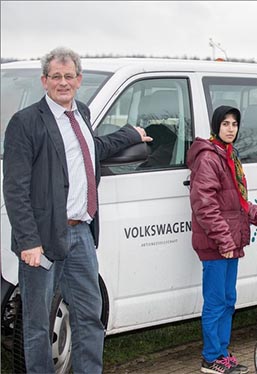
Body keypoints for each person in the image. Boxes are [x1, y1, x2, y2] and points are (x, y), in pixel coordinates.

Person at [2, 47, 152, 374]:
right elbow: (14, 188)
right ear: (44, 81)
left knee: (89, 316)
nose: (63, 82)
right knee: (39, 324)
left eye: (69, 76)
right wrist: (28, 240)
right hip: (42, 238)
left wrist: (129, 134)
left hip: (81, 234)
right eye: (56, 76)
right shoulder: (25, 123)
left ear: (78, 80)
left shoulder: (81, 113)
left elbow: (92, 149)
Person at [186, 105, 257, 374]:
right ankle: (211, 357)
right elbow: (205, 206)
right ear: (216, 126)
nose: (230, 128)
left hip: (230, 242)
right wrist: (224, 241)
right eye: (225, 123)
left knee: (228, 300)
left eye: (234, 124)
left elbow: (237, 204)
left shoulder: (228, 155)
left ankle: (221, 353)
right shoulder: (208, 158)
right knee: (216, 301)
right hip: (217, 244)